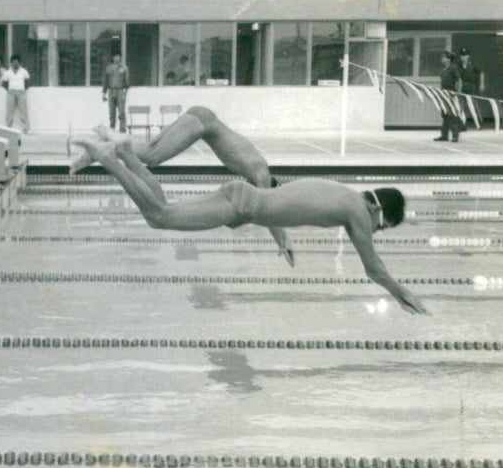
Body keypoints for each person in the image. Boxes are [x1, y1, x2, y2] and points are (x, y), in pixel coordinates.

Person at [72, 133, 428, 315]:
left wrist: (281, 238)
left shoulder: (344, 195)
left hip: (242, 201)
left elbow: (285, 201)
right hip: (241, 203)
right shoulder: (358, 212)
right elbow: (373, 268)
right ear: (379, 212)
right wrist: (404, 295)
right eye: (382, 227)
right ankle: (109, 158)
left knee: (161, 212)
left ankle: (125, 155)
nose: (375, 232)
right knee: (159, 216)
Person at [71, 106, 293, 266]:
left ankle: (113, 149)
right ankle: (108, 148)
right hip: (203, 122)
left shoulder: (253, 173)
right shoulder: (260, 172)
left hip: (201, 119)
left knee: (149, 154)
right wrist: (282, 240)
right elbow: (270, 212)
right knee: (152, 155)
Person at [434, 51, 462, 143]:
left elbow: (459, 80)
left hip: (451, 93)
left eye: (444, 57)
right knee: (445, 114)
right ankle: (444, 135)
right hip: (444, 93)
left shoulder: (453, 68)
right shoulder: (445, 69)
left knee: (453, 114)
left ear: (449, 59)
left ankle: (455, 136)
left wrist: (457, 92)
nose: (442, 58)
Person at [457, 47, 485, 132]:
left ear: (468, 56)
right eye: (462, 56)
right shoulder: (458, 65)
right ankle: (462, 124)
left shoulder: (473, 65)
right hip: (462, 87)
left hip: (472, 87)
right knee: (461, 107)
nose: (463, 57)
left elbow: (481, 73)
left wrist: (482, 84)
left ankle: (480, 123)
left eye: (465, 55)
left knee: (475, 105)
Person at [102, 52, 130, 133]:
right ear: (113, 57)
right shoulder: (109, 68)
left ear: (120, 58)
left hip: (120, 91)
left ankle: (122, 130)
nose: (116, 58)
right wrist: (104, 93)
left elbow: (127, 82)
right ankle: (112, 130)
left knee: (121, 113)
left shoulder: (124, 68)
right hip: (111, 91)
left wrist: (125, 94)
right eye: (115, 56)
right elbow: (105, 81)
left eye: (118, 56)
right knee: (111, 113)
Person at [3, 55, 31, 134]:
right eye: (13, 62)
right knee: (9, 111)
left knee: (23, 111)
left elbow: (28, 82)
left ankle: (26, 129)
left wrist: (23, 89)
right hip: (11, 93)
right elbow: (4, 83)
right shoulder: (7, 72)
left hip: (21, 93)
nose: (15, 64)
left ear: (19, 63)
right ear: (11, 63)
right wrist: (9, 89)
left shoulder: (24, 71)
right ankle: (7, 129)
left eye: (17, 62)